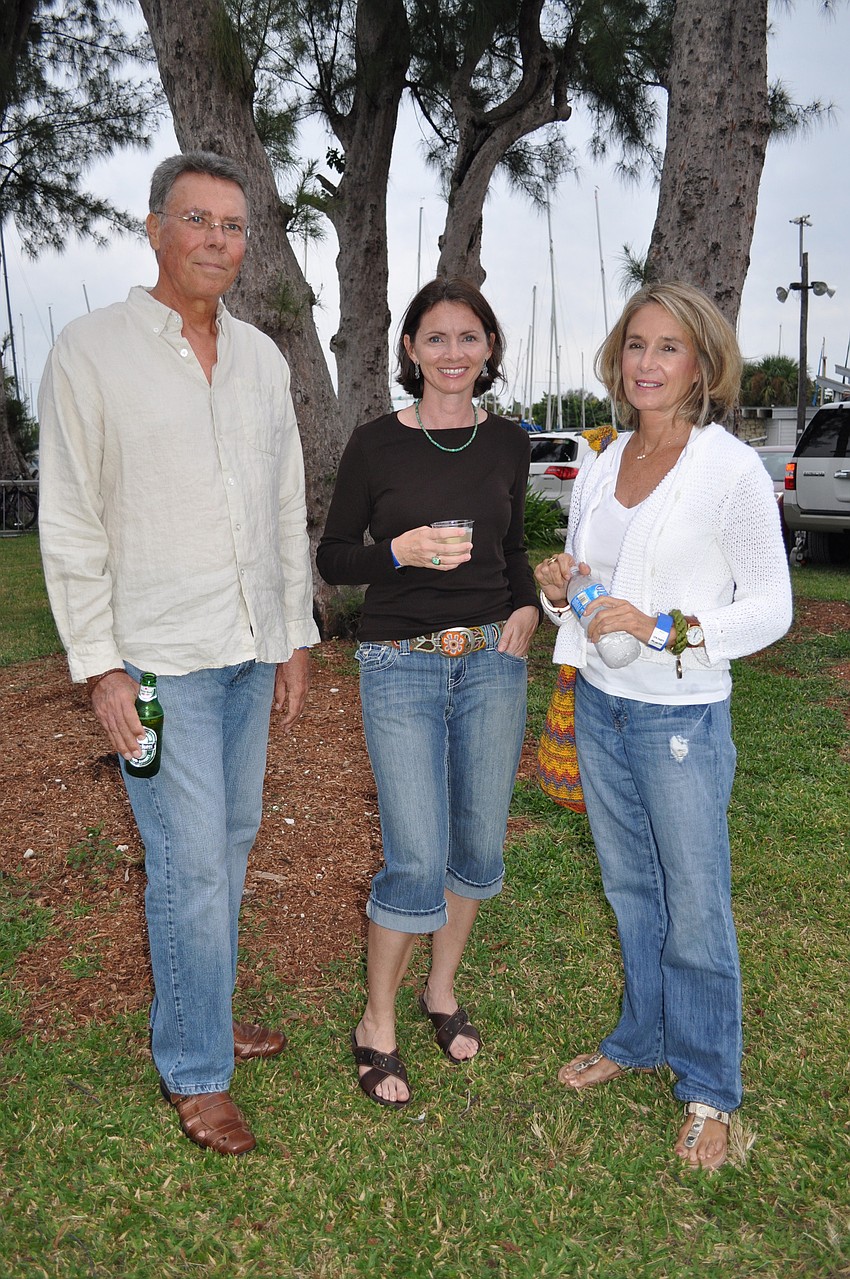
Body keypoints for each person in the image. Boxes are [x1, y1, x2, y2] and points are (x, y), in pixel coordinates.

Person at [38, 151, 319, 1155]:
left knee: (229, 843)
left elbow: (284, 503)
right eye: (197, 219)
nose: (217, 240)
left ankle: (207, 1005)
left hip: (248, 648)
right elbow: (70, 519)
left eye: (233, 225)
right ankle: (197, 1067)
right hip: (156, 658)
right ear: (154, 227)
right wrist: (100, 665)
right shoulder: (91, 351)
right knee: (189, 864)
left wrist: (293, 635)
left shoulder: (262, 359)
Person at [535, 280, 793, 1170]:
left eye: (668, 348)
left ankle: (711, 1086)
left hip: (679, 717)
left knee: (695, 905)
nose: (647, 363)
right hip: (602, 705)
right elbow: (594, 588)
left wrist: (667, 629)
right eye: (636, 345)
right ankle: (641, 1036)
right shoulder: (603, 460)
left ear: (702, 364)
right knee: (630, 890)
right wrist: (560, 587)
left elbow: (772, 607)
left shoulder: (729, 469)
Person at [317, 277, 539, 1107]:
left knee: (476, 845)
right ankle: (377, 1023)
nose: (453, 353)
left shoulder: (509, 442)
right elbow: (334, 556)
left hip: (491, 661)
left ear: (489, 349)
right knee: (415, 853)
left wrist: (526, 605)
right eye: (436, 338)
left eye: (468, 337)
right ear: (410, 348)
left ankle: (440, 990)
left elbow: (514, 548)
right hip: (400, 663)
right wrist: (397, 552)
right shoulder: (376, 444)